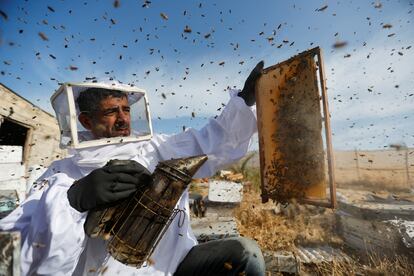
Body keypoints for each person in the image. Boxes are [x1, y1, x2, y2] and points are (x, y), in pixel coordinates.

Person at [0, 62, 266, 275]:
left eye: (126, 110)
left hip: (174, 267)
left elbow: (215, 142)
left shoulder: (158, 148)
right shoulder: (61, 174)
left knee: (244, 255)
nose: (123, 119)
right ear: (85, 120)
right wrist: (72, 200)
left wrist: (245, 101)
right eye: (111, 112)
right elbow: (9, 253)